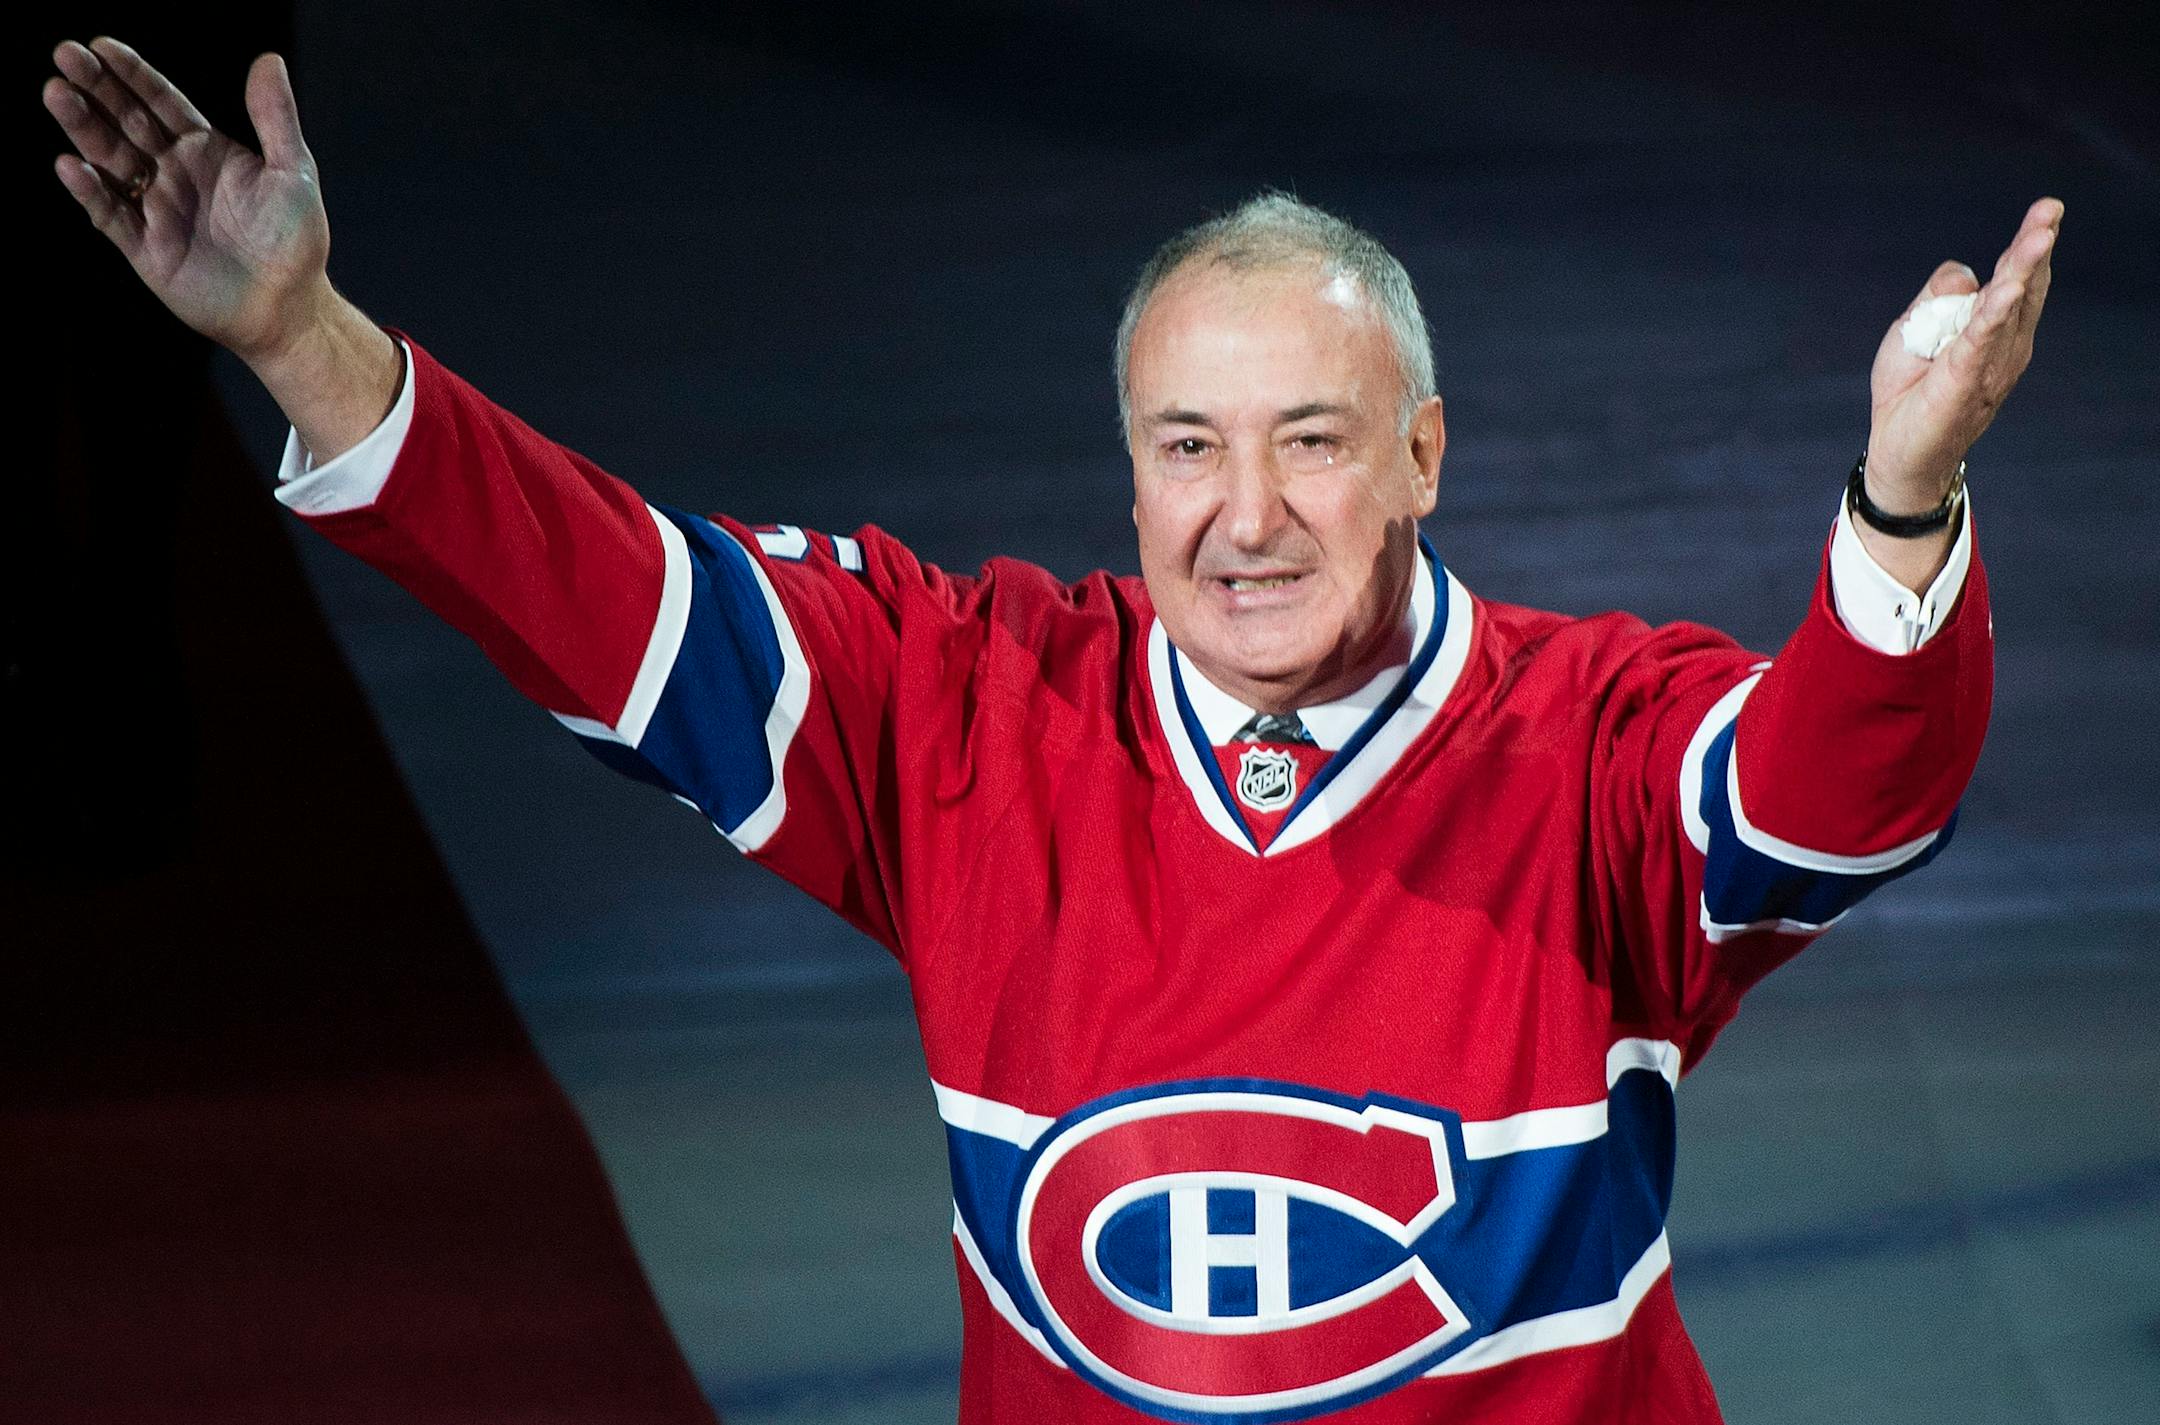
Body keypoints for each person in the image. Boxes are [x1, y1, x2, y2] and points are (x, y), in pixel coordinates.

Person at [44, 35, 2059, 1425]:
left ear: (1427, 454)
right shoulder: (970, 710)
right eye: (1190, 446)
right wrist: (309, 344)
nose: (1244, 514)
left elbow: (1837, 784)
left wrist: (1900, 502)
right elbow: (621, 598)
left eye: (1312, 444)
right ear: (1126, 470)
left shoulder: (1593, 746)